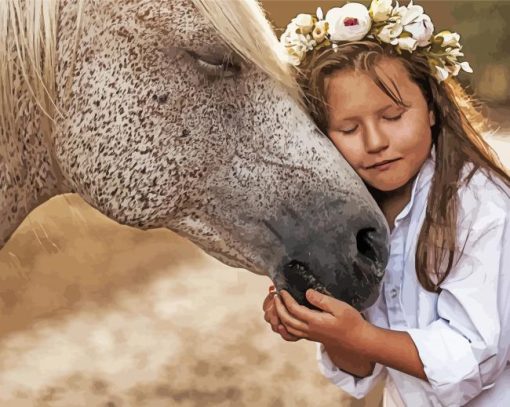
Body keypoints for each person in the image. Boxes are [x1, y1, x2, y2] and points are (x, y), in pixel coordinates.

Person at [262, 1, 510, 406]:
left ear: (431, 107)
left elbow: (474, 357)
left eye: (393, 116)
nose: (375, 142)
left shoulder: (483, 205)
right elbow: (362, 368)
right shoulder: (351, 221)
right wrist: (324, 325)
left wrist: (358, 335)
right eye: (348, 127)